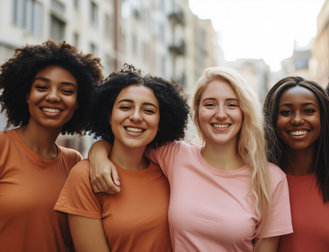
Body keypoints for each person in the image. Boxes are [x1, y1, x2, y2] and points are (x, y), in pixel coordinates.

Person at [88, 67, 292, 251]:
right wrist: (98, 153)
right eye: (210, 104)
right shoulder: (174, 155)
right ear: (197, 113)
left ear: (245, 112)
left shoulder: (272, 179)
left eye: (232, 105)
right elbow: (128, 140)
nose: (220, 114)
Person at [54, 65, 189, 251]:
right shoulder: (85, 176)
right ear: (109, 116)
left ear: (160, 123)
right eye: (125, 107)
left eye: (148, 111)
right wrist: (98, 152)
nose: (135, 117)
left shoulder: (168, 171)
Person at [0, 41, 103, 251]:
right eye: (41, 87)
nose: (53, 96)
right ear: (26, 95)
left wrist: (101, 149)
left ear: (78, 103)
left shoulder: (75, 163)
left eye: (66, 90)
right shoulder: (2, 147)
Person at [264, 76, 329, 251]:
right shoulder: (260, 182)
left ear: (323, 119)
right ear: (272, 121)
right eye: (286, 112)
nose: (297, 119)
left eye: (308, 111)